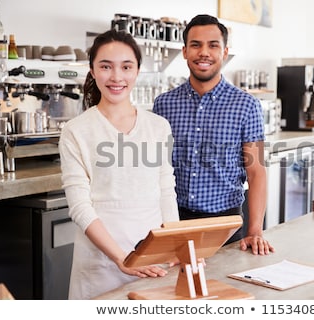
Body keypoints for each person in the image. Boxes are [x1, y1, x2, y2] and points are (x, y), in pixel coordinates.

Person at [59, 29, 179, 300]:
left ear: (137, 71)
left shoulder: (158, 127)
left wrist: (176, 246)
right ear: (92, 70)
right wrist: (120, 256)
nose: (116, 77)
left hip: (153, 260)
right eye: (105, 66)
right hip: (100, 266)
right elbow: (80, 206)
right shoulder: (76, 131)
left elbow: (165, 191)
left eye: (126, 67)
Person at [153, 14, 274, 255]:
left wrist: (255, 230)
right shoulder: (163, 105)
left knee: (225, 289)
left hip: (226, 224)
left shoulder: (246, 105)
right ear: (185, 51)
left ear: (225, 52)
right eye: (196, 45)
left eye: (213, 45)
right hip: (173, 220)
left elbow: (256, 170)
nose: (204, 52)